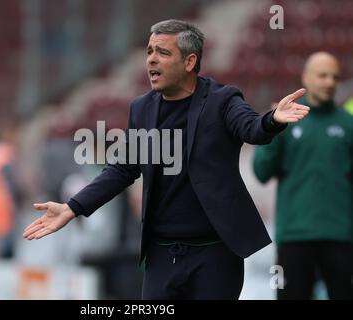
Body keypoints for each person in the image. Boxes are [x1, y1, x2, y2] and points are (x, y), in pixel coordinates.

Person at [23, 19, 310, 299]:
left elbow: (252, 128)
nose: (151, 60)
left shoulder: (223, 100)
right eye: (149, 52)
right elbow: (123, 169)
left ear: (189, 62)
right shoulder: (142, 109)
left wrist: (272, 120)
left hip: (214, 254)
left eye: (163, 52)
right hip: (161, 254)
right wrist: (73, 208)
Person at [253, 52, 353, 300]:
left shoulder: (349, 125)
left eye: (335, 77)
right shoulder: (286, 122)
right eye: (322, 75)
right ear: (306, 78)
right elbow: (261, 172)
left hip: (341, 236)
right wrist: (273, 129)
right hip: (295, 237)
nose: (330, 82)